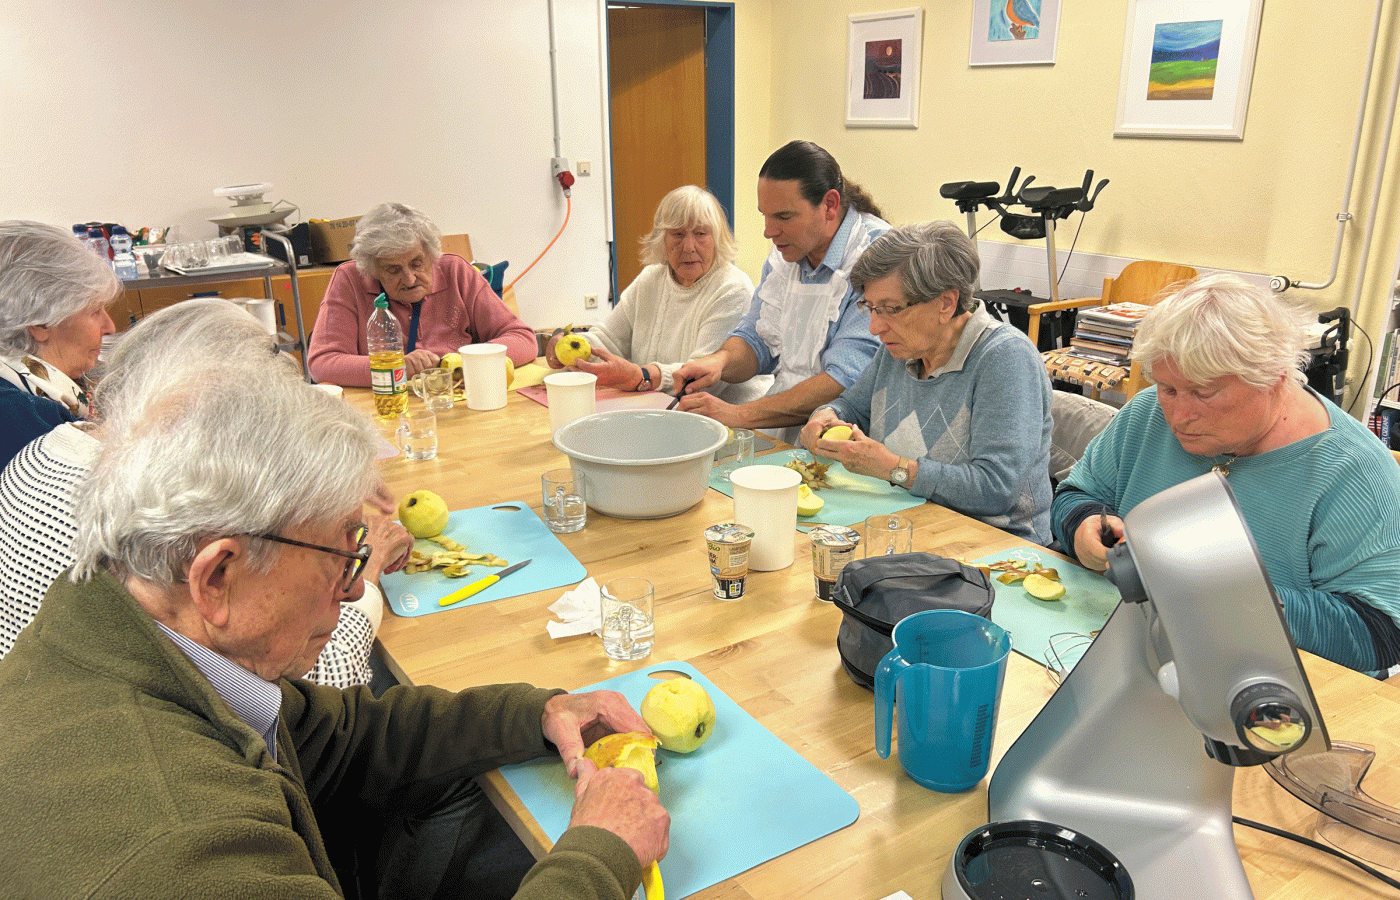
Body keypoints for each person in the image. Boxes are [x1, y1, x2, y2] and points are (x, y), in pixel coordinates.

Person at [0, 359, 669, 900]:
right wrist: (600, 855)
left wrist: (536, 712)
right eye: (342, 553)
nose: (356, 585)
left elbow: (341, 737)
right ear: (217, 579)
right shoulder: (176, 848)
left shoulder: (138, 633)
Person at [0, 298, 413, 689]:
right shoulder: (154, 508)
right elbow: (327, 681)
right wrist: (366, 565)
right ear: (207, 409)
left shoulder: (46, 450)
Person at [1052, 273, 1400, 676]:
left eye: (1204, 392)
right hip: (1128, 655)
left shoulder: (1354, 473)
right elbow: (1075, 494)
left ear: (1273, 379)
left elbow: (1379, 636)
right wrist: (1081, 527)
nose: (1178, 417)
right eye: (1168, 389)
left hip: (1269, 687)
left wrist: (1228, 598)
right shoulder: (1147, 413)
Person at [799, 222, 1053, 543]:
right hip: (908, 522)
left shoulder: (1005, 358)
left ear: (946, 303)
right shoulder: (901, 348)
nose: (875, 327)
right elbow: (852, 407)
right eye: (871, 308)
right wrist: (826, 415)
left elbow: (996, 488)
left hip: (993, 544)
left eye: (891, 309)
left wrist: (893, 468)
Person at [674, 140, 890, 443]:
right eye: (765, 215)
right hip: (785, 423)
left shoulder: (876, 257)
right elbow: (757, 340)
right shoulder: (786, 257)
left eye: (783, 217)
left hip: (845, 436)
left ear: (829, 205)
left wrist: (739, 415)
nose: (768, 230)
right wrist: (719, 362)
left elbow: (844, 380)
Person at [545, 185, 761, 399]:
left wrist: (643, 377)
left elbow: (702, 381)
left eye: (700, 233)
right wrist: (570, 347)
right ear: (662, 239)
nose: (688, 246)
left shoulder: (732, 288)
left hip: (729, 423)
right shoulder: (651, 278)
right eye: (677, 234)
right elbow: (608, 339)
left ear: (717, 238)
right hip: (656, 407)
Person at [307, 202, 538, 386]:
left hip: (454, 399)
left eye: (417, 263)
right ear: (373, 269)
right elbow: (322, 364)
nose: (409, 278)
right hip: (385, 404)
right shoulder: (349, 278)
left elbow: (523, 339)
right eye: (393, 269)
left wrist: (459, 362)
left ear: (431, 254)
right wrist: (395, 366)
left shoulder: (455, 271)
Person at [0, 219, 119, 465]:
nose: (110, 327)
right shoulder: (26, 418)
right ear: (40, 322)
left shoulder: (29, 390)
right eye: (95, 311)